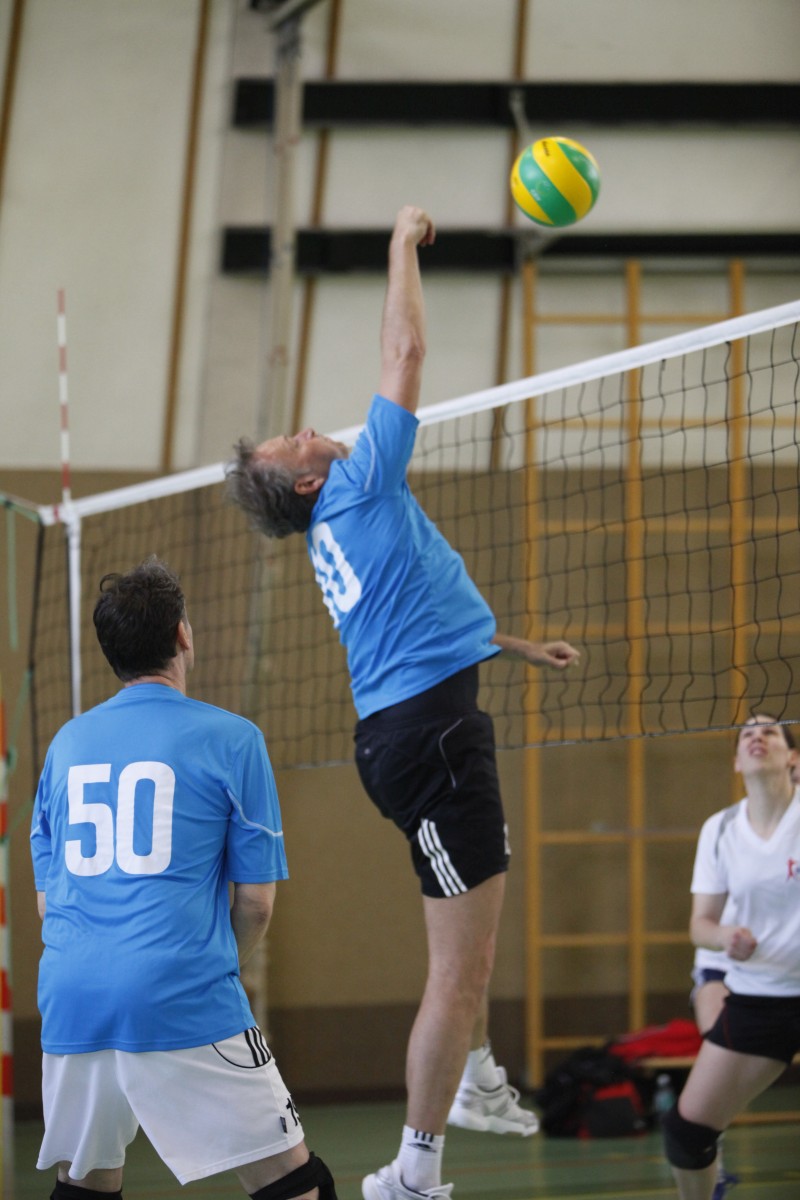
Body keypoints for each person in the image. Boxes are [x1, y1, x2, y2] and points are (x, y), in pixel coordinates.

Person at [226, 205, 580, 1200]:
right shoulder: (360, 487)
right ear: (304, 483)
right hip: (431, 742)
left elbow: (421, 615)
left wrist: (513, 643)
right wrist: (398, 244)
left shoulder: (342, 524)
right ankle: (413, 1171)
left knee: (471, 941)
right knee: (459, 970)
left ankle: (478, 1075)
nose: (310, 428)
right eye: (293, 440)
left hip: (417, 731)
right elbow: (406, 349)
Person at [30, 557, 336, 1200]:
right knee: (294, 1181)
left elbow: (48, 901)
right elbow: (256, 904)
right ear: (182, 635)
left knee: (85, 1186)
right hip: (180, 990)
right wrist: (210, 968)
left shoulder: (65, 745)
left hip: (72, 996)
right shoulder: (234, 740)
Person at [662, 714, 800, 1200]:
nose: (757, 737)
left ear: (794, 758)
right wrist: (725, 937)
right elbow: (700, 924)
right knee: (686, 1134)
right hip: (761, 995)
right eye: (747, 734)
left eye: (770, 732)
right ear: (737, 762)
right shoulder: (720, 829)